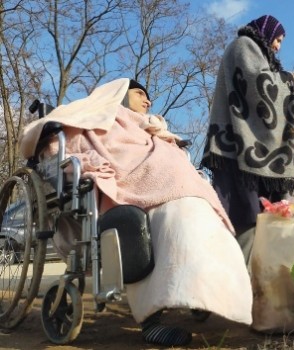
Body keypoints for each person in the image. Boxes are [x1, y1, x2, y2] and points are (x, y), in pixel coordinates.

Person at [19, 78, 253, 347]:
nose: (148, 100)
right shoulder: (89, 116)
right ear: (117, 94)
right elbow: (52, 147)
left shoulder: (148, 128)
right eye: (140, 93)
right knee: (167, 218)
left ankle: (200, 288)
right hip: (131, 184)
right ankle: (151, 320)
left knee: (196, 215)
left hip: (176, 185)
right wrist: (89, 161)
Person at [202, 15, 294, 244]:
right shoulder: (244, 45)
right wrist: (289, 78)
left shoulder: (254, 51)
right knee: (247, 219)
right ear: (265, 32)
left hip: (246, 150)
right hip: (240, 150)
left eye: (281, 42)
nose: (278, 46)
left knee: (254, 220)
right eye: (277, 39)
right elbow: (256, 82)